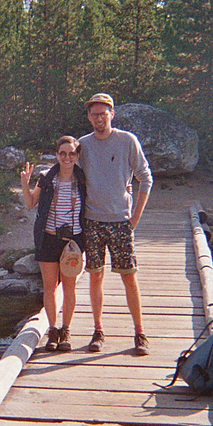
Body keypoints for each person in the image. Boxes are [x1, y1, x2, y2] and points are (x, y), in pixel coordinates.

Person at [78, 93, 153, 355]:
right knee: (95, 276)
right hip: (92, 221)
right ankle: (98, 331)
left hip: (120, 221)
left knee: (129, 278)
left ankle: (140, 332)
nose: (99, 118)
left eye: (103, 113)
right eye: (94, 114)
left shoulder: (127, 141)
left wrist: (136, 217)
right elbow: (69, 174)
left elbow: (146, 177)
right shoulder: (83, 145)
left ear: (112, 114)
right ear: (89, 117)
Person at [20, 136, 88, 352]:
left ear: (77, 156)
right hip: (48, 238)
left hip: (73, 241)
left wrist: (126, 190)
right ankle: (52, 330)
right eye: (62, 153)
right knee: (49, 288)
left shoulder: (84, 180)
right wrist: (25, 183)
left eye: (71, 154)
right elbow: (31, 204)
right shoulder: (46, 179)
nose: (67, 158)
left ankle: (65, 330)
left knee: (69, 288)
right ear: (57, 155)